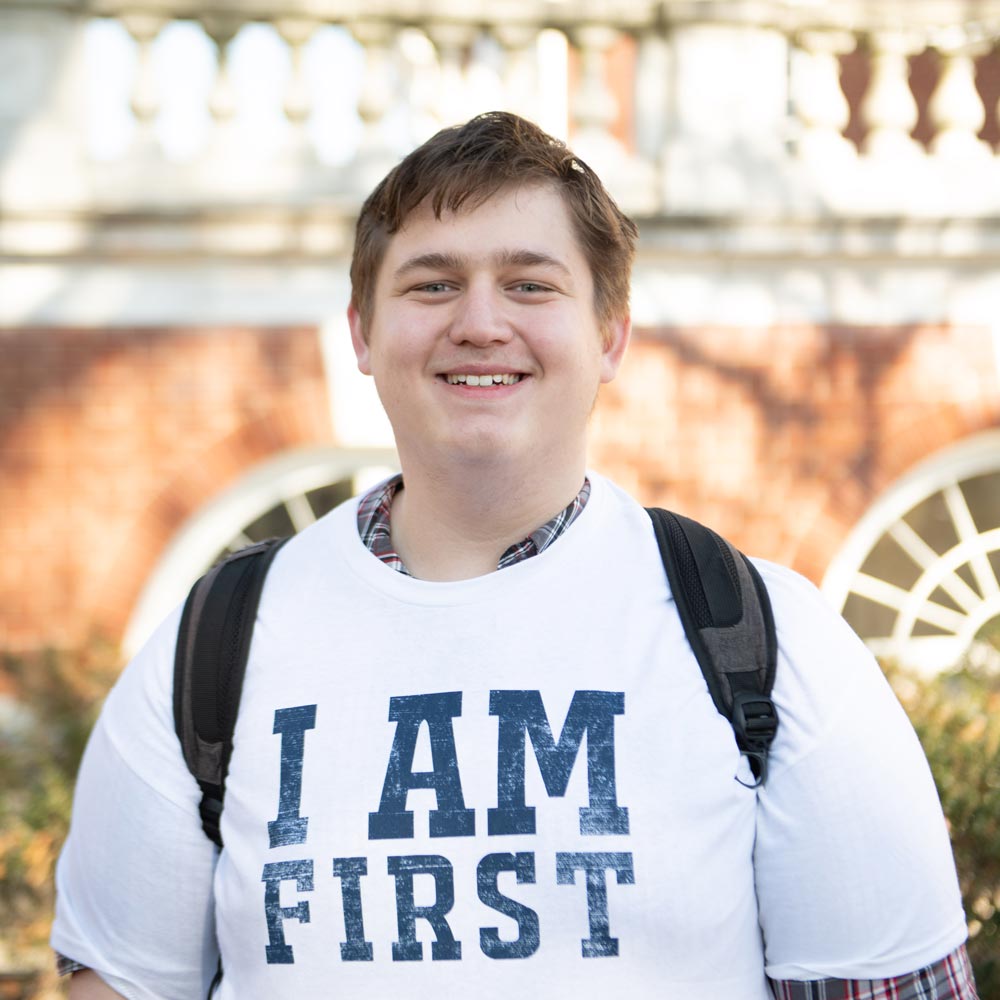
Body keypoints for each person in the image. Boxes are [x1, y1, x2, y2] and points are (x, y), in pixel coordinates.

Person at [53, 112, 977, 1000]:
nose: (481, 323)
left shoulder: (767, 640)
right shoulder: (212, 646)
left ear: (609, 334)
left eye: (530, 284)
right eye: (432, 284)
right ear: (363, 333)